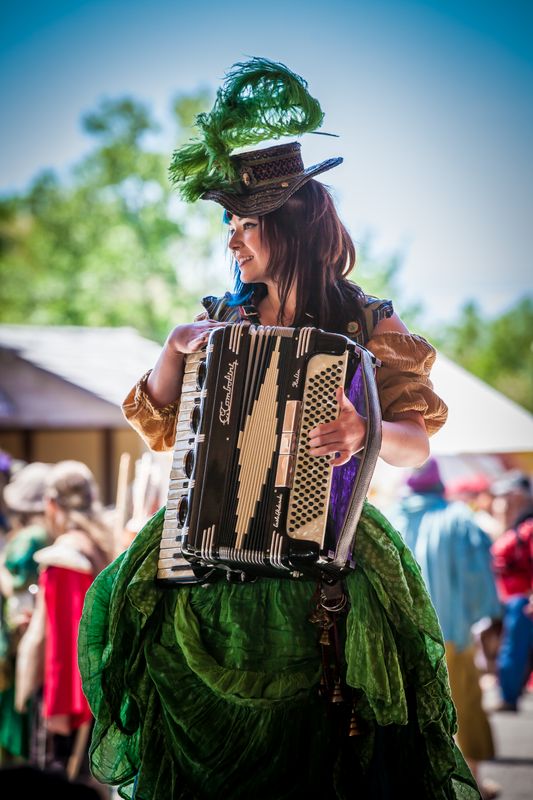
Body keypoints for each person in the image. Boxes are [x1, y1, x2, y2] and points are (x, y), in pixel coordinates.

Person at [78, 58, 482, 799]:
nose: (232, 242)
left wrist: (365, 433)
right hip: (204, 555)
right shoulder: (218, 320)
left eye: (245, 226)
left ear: (287, 228)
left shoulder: (365, 322)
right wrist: (171, 353)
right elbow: (160, 431)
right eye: (229, 226)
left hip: (325, 557)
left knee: (326, 745)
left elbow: (417, 440)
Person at [388, 458, 502, 800]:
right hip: (451, 633)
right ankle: (475, 784)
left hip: (402, 638)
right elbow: (480, 581)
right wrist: (486, 617)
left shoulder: (389, 517)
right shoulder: (459, 519)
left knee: (409, 712)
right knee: (464, 706)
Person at [15, 460, 112, 796]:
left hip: (69, 700)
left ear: (52, 504)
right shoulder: (99, 546)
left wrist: (58, 710)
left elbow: (65, 646)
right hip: (91, 695)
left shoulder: (66, 557)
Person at [0, 461, 52, 764]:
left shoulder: (26, 538)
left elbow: (17, 587)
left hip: (18, 634)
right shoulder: (47, 534)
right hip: (36, 629)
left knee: (15, 713)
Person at [489, 470, 533, 712]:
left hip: (523, 601)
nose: (501, 502)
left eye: (507, 496)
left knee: (513, 650)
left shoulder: (527, 527)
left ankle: (508, 697)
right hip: (517, 599)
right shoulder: (518, 526)